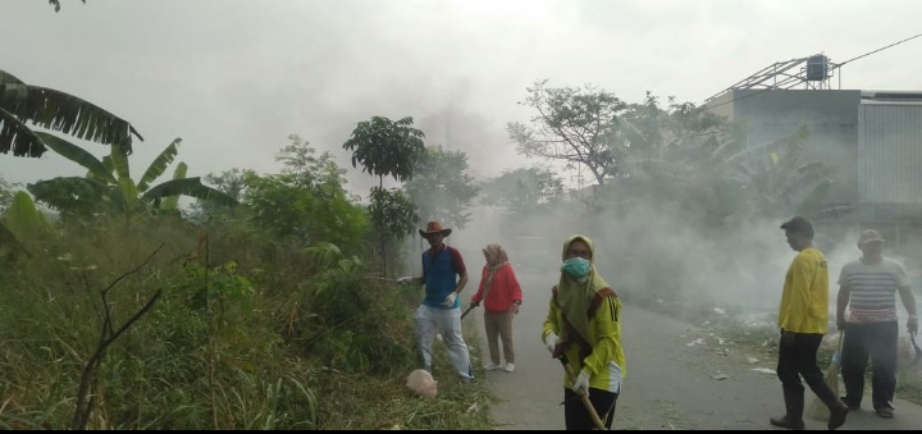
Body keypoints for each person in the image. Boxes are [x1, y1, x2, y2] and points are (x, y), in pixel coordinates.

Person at [771, 216, 849, 430]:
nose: (788, 240)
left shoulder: (804, 259)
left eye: (790, 235)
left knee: (787, 370)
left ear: (801, 233)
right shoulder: (819, 257)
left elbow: (800, 296)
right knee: (807, 369)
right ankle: (833, 407)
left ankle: (798, 418)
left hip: (800, 327)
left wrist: (790, 329)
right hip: (814, 326)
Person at [541, 234, 626, 430]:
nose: (578, 258)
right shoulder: (559, 292)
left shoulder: (604, 295)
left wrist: (587, 372)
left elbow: (610, 341)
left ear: (591, 258)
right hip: (572, 374)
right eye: (573, 253)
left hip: (603, 375)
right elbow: (550, 321)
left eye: (584, 254)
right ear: (564, 256)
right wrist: (549, 335)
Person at [835, 229, 918, 418]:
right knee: (851, 365)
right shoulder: (849, 267)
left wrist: (913, 316)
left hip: (885, 325)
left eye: (877, 243)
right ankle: (852, 399)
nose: (874, 247)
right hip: (856, 325)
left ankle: (883, 404)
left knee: (885, 366)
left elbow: (906, 293)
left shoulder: (894, 267)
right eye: (869, 244)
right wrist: (840, 317)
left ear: (882, 245)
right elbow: (843, 294)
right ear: (860, 246)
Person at [398, 221, 474, 382]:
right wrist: (410, 279)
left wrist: (454, 293)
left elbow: (464, 276)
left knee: (453, 340)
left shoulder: (452, 253)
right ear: (427, 238)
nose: (433, 238)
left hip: (449, 307)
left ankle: (466, 377)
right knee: (421, 337)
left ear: (442, 236)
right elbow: (426, 278)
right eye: (430, 236)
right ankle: (426, 375)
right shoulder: (426, 255)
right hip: (429, 305)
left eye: (436, 235)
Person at [470, 243, 522, 373]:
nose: (487, 258)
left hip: (504, 311)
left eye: (490, 255)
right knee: (491, 337)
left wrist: (516, 301)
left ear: (497, 255)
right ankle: (495, 361)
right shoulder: (486, 269)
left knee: (506, 337)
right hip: (489, 310)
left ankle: (510, 361)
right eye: (486, 255)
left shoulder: (506, 269)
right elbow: (483, 288)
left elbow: (514, 287)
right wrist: (476, 299)